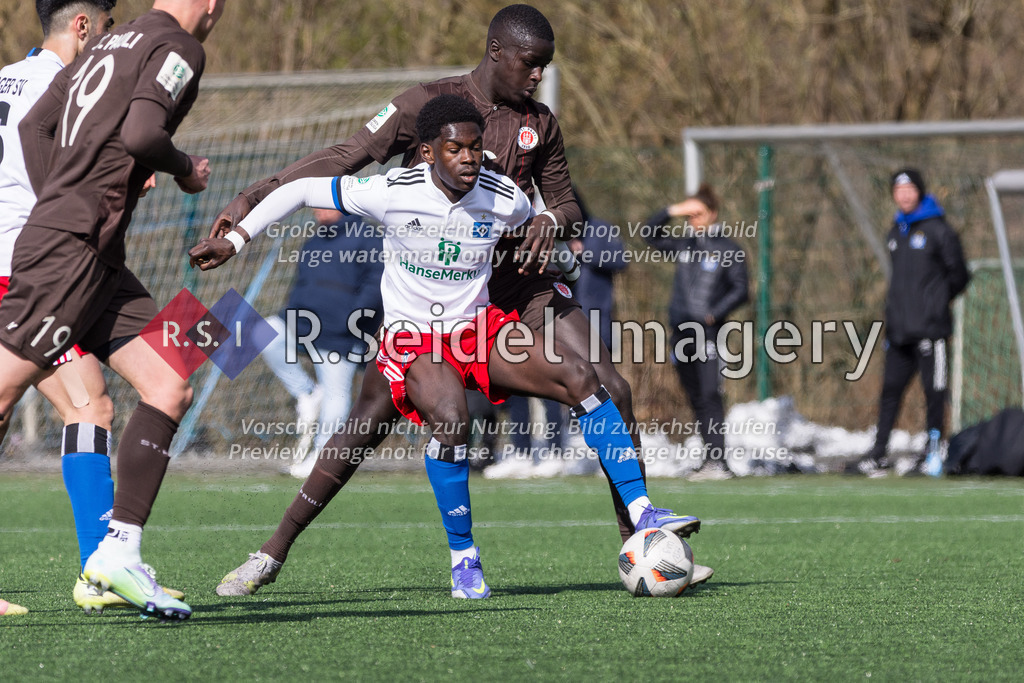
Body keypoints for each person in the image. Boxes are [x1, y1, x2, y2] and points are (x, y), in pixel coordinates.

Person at [206, 4, 714, 596]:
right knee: (363, 431)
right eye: (531, 65)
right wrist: (246, 207)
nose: (538, 78)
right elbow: (341, 161)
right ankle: (274, 550)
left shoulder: (539, 124)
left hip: (513, 286)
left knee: (610, 388)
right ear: (497, 51)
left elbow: (565, 203)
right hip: (426, 305)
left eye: (545, 68)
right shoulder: (426, 105)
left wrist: (552, 220)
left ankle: (643, 541)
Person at [0, 0, 224, 621]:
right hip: (55, 252)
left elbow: (33, 133)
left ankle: (115, 554)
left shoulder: (94, 50)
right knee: (75, 401)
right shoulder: (169, 47)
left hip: (87, 251)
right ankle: (97, 566)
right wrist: (178, 169)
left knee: (179, 365)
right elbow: (142, 135)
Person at [850, 169, 970, 477]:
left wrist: (935, 303)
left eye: (909, 189)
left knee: (934, 393)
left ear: (919, 191)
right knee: (889, 391)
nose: (903, 195)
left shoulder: (939, 230)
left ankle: (934, 454)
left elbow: (959, 275)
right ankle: (878, 454)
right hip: (900, 331)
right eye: (898, 189)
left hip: (931, 331)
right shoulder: (895, 231)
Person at [257, 208, 384, 480]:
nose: (317, 209)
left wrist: (352, 321)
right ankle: (307, 392)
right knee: (265, 332)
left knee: (336, 395)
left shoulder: (368, 238)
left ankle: (322, 456)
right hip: (303, 325)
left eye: (323, 203)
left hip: (343, 335)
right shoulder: (314, 241)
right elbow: (302, 286)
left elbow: (376, 285)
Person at [645, 184, 749, 481]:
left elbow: (741, 290)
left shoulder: (729, 249)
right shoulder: (684, 245)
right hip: (680, 334)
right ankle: (709, 460)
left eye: (699, 213)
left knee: (709, 394)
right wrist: (672, 210)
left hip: (708, 334)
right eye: (690, 214)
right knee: (695, 397)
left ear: (713, 214)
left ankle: (719, 462)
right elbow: (648, 234)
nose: (693, 219)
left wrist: (714, 313)